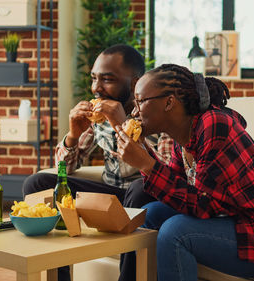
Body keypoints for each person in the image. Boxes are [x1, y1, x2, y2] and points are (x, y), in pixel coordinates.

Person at [114, 64, 254, 281]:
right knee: (147, 215)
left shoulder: (214, 124)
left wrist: (147, 165)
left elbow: (202, 206)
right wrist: (144, 156)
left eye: (140, 101)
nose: (133, 111)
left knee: (174, 232)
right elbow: (178, 193)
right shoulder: (184, 136)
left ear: (169, 102)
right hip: (232, 219)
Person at [22, 44, 170, 281]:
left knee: (139, 188)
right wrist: (73, 135)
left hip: (144, 196)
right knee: (37, 183)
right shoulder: (97, 118)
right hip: (110, 195)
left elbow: (164, 172)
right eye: (93, 79)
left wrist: (121, 124)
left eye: (107, 79)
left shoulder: (156, 115)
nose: (96, 88)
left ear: (134, 83)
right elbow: (66, 169)